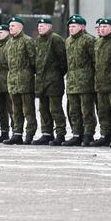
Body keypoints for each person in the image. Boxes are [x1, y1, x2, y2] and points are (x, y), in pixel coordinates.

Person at [33, 17, 68, 146]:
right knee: (43, 108)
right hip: (41, 80)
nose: (40, 28)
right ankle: (46, 133)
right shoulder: (38, 40)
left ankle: (60, 134)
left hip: (54, 80)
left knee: (55, 109)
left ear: (50, 27)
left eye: (43, 25)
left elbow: (63, 61)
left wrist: (57, 74)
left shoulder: (56, 39)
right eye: (39, 26)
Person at [63, 15, 97, 146]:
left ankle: (88, 134)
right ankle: (77, 134)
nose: (71, 29)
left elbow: (95, 61)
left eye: (74, 26)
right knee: (73, 110)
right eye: (70, 26)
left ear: (82, 27)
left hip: (86, 82)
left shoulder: (88, 40)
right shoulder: (68, 41)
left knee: (87, 110)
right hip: (72, 82)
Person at [4, 17, 37, 145]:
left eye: (13, 26)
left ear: (20, 27)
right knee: (15, 110)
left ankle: (30, 133)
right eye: (10, 26)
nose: (10, 28)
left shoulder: (27, 41)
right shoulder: (9, 42)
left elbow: (33, 60)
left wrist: (28, 74)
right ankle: (17, 133)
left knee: (28, 109)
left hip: (25, 80)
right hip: (12, 80)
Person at [93, 18, 111, 147]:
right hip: (100, 84)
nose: (102, 28)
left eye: (105, 26)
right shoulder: (98, 42)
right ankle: (105, 135)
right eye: (101, 26)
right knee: (103, 112)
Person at [0, 25, 13, 143]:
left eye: (2, 32)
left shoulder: (10, 44)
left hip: (9, 81)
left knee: (12, 109)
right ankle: (4, 132)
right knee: (1, 111)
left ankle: (16, 131)